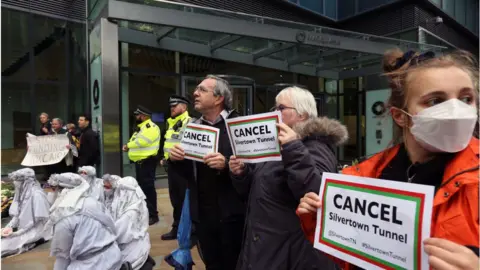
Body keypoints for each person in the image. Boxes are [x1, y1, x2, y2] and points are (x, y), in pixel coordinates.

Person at [297, 49, 479, 270]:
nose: (455, 110)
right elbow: (354, 258)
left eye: (466, 98)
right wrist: (320, 220)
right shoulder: (367, 176)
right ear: (400, 116)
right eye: (435, 101)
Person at [229, 86, 348, 270]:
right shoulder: (276, 143)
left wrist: (293, 148)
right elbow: (259, 188)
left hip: (289, 254)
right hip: (264, 246)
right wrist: (242, 173)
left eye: (281, 108)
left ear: (302, 114)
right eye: (274, 108)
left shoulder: (316, 146)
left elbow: (317, 194)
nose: (275, 113)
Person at [169, 75, 245, 270]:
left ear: (219, 98)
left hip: (234, 217)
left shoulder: (240, 125)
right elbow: (188, 173)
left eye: (202, 90)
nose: (195, 93)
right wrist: (176, 160)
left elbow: (255, 170)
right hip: (203, 216)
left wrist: (227, 164)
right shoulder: (193, 127)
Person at [48, 172, 123, 270]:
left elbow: (63, 257)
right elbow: (111, 226)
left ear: (62, 191)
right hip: (114, 256)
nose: (51, 193)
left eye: (53, 189)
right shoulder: (93, 202)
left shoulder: (63, 216)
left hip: (91, 265)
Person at [161, 95, 192, 240]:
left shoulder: (190, 122)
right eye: (171, 106)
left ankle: (185, 229)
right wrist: (165, 159)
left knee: (183, 199)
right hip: (172, 165)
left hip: (184, 167)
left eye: (175, 105)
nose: (172, 108)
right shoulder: (172, 123)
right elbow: (170, 144)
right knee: (175, 199)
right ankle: (179, 227)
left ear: (184, 107)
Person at [123, 105, 161, 225]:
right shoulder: (141, 128)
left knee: (148, 189)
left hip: (147, 162)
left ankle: (153, 215)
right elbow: (134, 140)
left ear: (143, 116)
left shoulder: (151, 127)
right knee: (143, 189)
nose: (136, 117)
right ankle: (146, 212)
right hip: (140, 163)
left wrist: (129, 146)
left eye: (137, 115)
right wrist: (128, 146)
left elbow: (143, 141)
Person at [1, 168, 52, 257]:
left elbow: (36, 221)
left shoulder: (37, 195)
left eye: (17, 180)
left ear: (25, 181)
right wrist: (8, 227)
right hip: (23, 227)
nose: (15, 183)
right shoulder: (21, 193)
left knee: (5, 246)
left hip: (37, 230)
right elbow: (17, 214)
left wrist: (18, 233)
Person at [111, 176, 156, 270]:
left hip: (132, 254)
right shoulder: (139, 202)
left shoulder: (130, 212)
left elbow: (119, 234)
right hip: (138, 248)